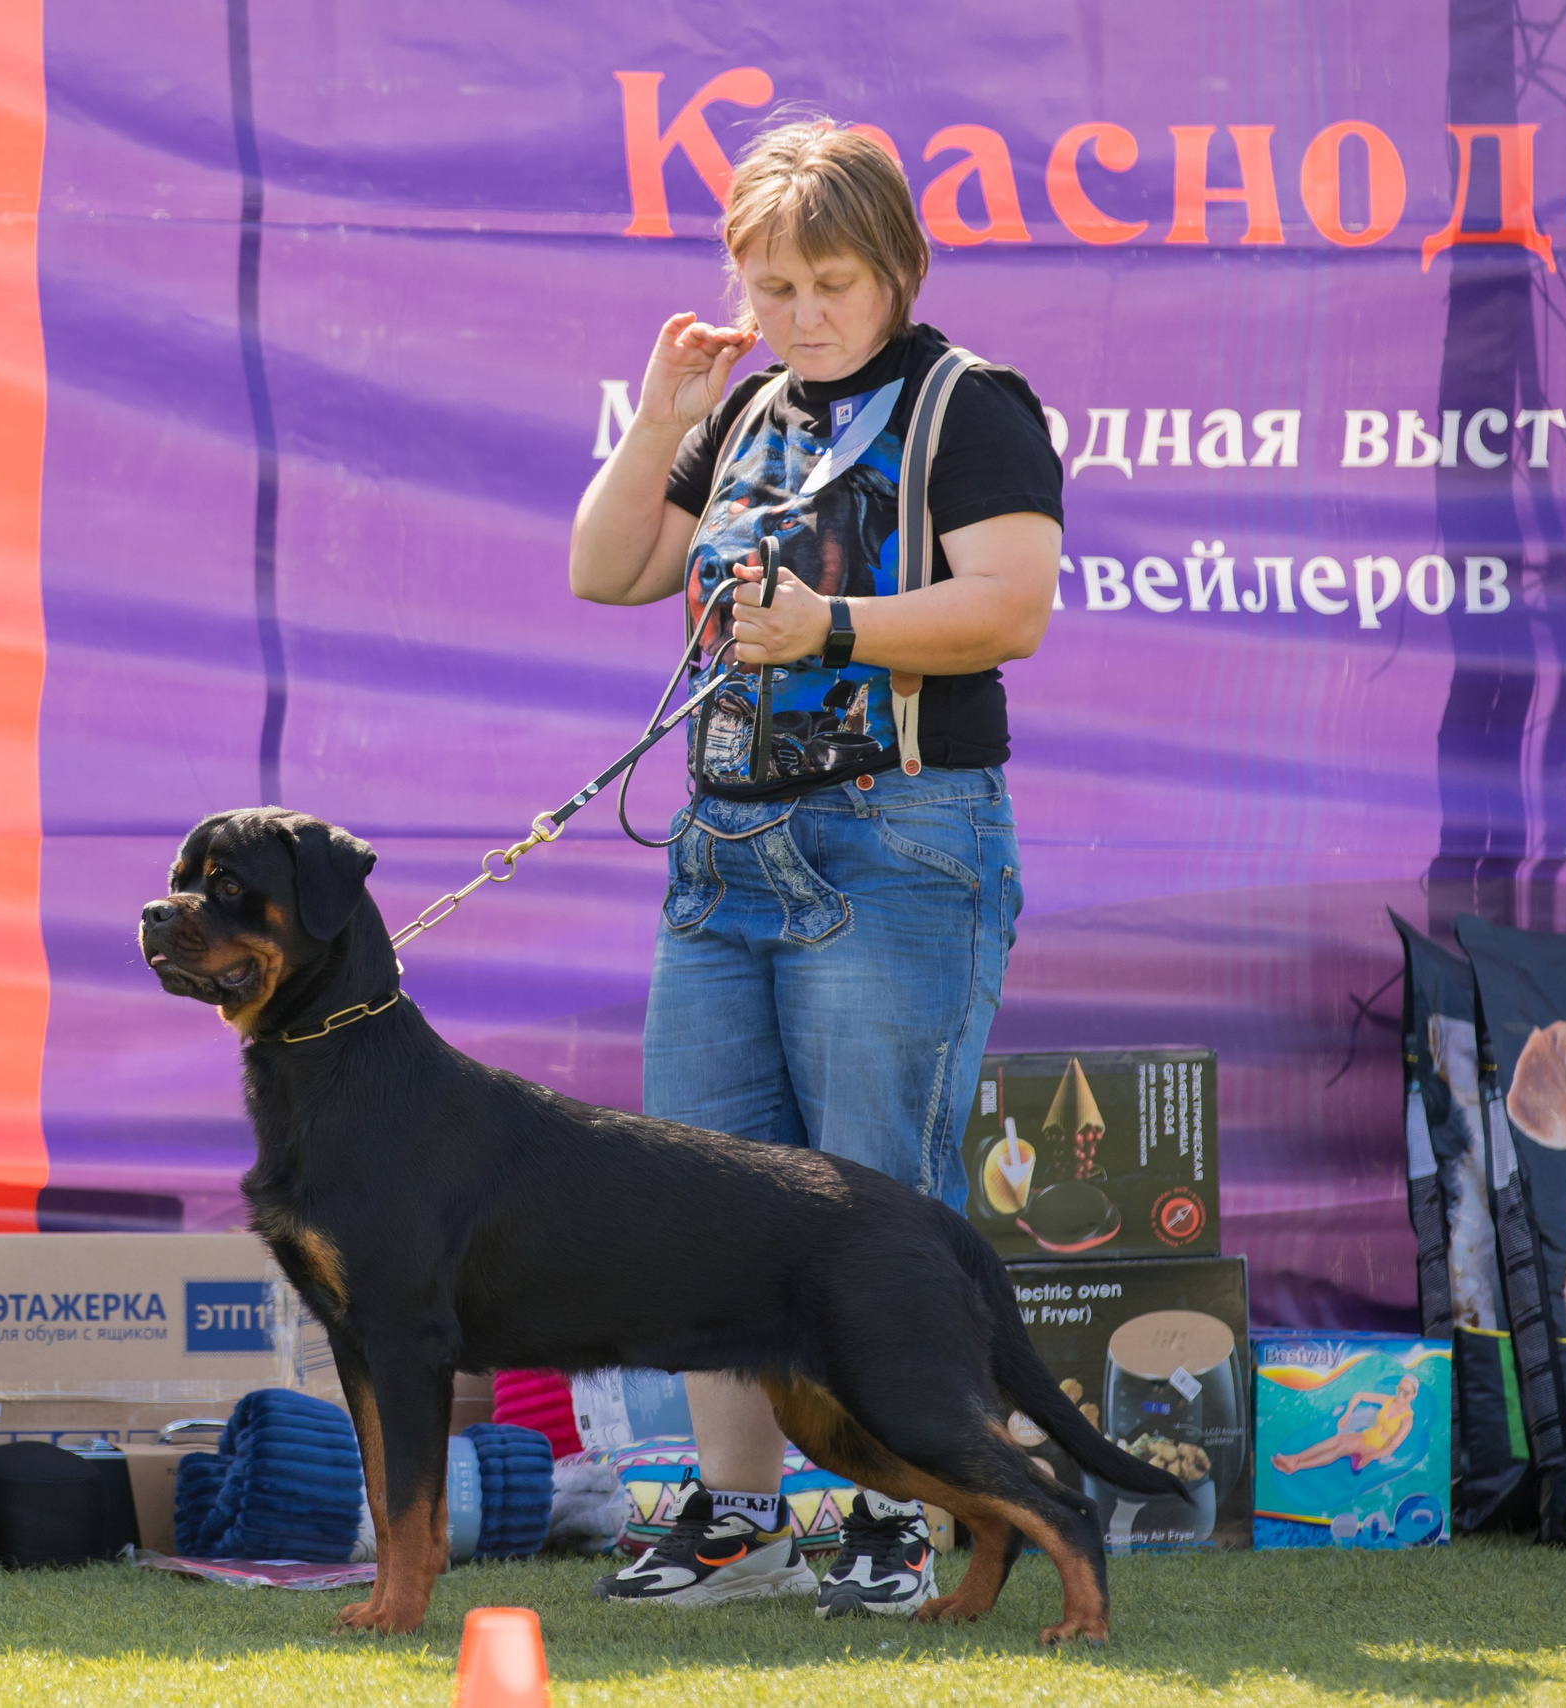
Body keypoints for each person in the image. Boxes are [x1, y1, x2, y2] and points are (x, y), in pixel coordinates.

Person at [567, 119, 1063, 1617]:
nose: (798, 317)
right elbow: (609, 569)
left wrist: (832, 629)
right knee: (705, 1205)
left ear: (897, 266)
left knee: (872, 1202)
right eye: (772, 286)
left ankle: (898, 1511)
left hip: (898, 836)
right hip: (726, 852)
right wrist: (662, 421)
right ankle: (737, 1518)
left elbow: (1010, 608)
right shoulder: (751, 406)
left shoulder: (968, 404)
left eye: (829, 283)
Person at [1270, 1375, 1422, 1475]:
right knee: (1336, 1441)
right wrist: (1347, 1413)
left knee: (1341, 1449)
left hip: (1377, 1447)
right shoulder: (1389, 1400)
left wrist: (1370, 1456)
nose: (1400, 1395)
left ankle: (1296, 1466)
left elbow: (1392, 1447)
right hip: (1368, 1435)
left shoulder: (1407, 1419)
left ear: (1414, 1395)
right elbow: (1359, 1395)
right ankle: (1295, 1458)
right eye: (1399, 1389)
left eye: (1405, 1392)